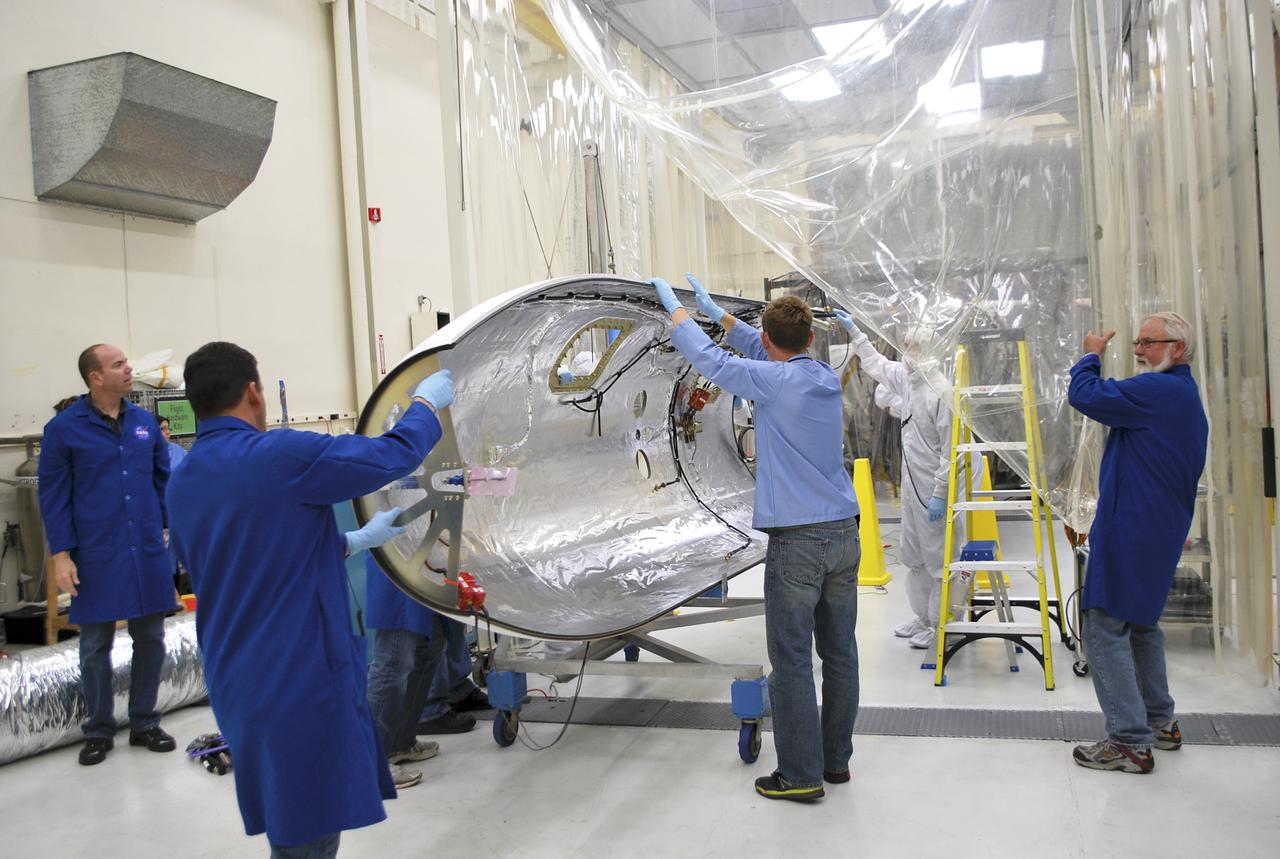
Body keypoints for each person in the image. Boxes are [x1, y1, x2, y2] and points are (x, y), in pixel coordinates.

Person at [167, 341, 454, 857]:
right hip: (297, 676)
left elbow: (244, 560)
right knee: (308, 833)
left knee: (300, 818)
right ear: (254, 392)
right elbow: (390, 455)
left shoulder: (184, 480)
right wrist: (426, 407)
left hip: (237, 678)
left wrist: (353, 541)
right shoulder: (277, 455)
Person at [649, 273, 860, 803]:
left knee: (790, 660)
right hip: (843, 535)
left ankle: (800, 774)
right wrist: (721, 317)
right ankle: (834, 762)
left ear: (771, 343)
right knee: (840, 654)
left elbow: (716, 363)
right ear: (809, 339)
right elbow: (755, 349)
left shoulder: (772, 380)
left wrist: (678, 315)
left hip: (798, 542)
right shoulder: (822, 376)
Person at [1066, 312, 1208, 774]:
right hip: (1158, 526)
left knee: (1103, 624)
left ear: (1178, 349)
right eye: (1138, 343)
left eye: (1149, 343)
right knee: (1142, 623)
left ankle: (1128, 740)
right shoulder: (1182, 394)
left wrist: (1090, 355)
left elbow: (1084, 395)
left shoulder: (1159, 391)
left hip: (1133, 526)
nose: (1140, 350)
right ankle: (1160, 721)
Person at [37, 343, 177, 766]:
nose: (129, 368)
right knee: (95, 644)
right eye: (118, 365)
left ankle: (144, 722)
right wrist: (61, 554)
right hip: (96, 553)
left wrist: (170, 532)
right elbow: (53, 494)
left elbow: (161, 479)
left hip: (147, 548)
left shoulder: (143, 423)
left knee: (150, 637)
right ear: (95, 378)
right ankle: (98, 730)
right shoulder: (64, 429)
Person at [833, 311, 968, 650]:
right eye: (905, 346)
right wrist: (856, 333)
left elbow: (953, 453)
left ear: (932, 349)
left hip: (935, 492)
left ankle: (943, 625)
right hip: (912, 487)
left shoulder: (941, 391)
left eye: (914, 347)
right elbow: (877, 364)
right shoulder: (910, 381)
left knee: (939, 560)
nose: (907, 353)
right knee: (915, 556)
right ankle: (923, 617)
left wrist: (940, 493)